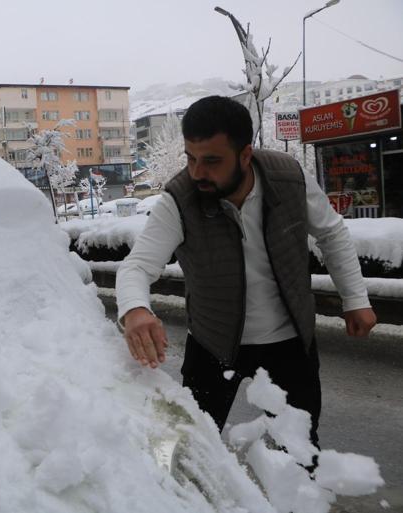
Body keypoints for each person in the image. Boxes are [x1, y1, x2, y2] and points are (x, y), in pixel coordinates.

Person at [115, 96, 376, 445]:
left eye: (211, 161)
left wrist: (355, 298)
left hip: (289, 344)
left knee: (299, 451)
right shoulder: (180, 200)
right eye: (191, 159)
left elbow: (331, 232)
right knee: (189, 445)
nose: (197, 172)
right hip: (212, 343)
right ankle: (188, 501)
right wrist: (135, 310)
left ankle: (297, 501)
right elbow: (137, 266)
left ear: (245, 154)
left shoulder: (289, 178)